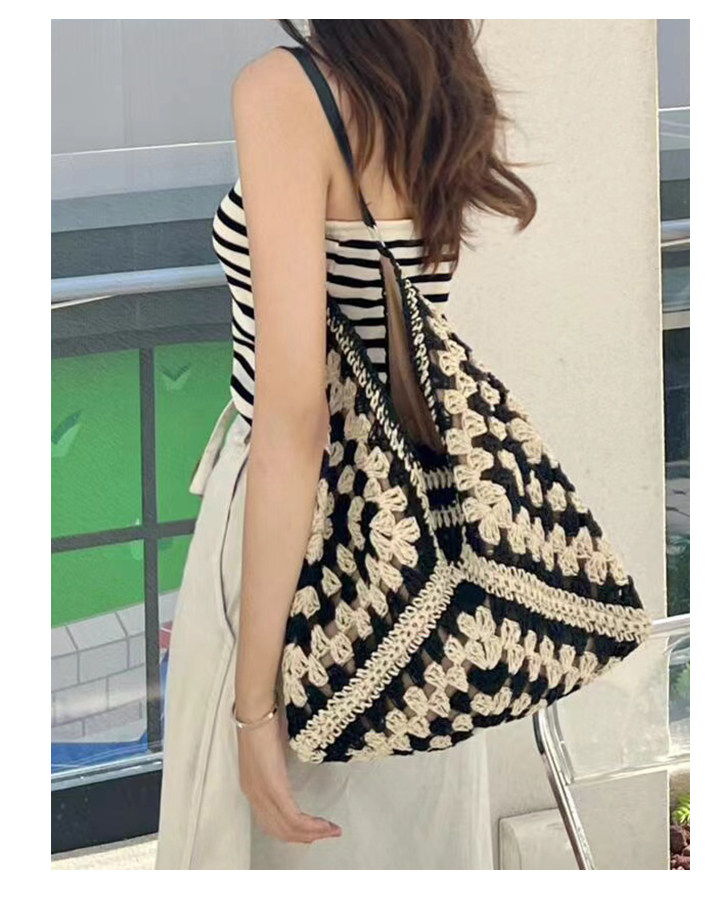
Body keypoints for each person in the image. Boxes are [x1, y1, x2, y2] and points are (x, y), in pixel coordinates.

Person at [155, 20, 537, 870]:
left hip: (294, 534)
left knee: (263, 846)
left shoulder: (288, 90)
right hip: (424, 540)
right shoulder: (438, 85)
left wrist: (254, 710)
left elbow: (296, 420)